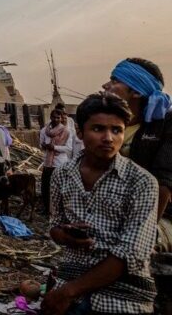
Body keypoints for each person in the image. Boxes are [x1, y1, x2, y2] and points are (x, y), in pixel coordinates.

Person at [42, 93, 158, 315]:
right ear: (80, 132)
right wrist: (65, 235)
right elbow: (54, 226)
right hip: (70, 276)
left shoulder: (142, 182)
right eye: (98, 129)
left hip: (123, 293)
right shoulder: (62, 175)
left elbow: (130, 254)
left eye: (117, 130)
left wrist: (68, 292)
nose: (108, 138)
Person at [102, 58, 172, 313]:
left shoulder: (165, 125)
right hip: (116, 212)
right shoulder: (109, 123)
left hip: (160, 218)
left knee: (132, 244)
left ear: (136, 90)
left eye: (114, 80)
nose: (105, 85)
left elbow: (162, 187)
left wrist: (142, 232)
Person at [39, 109, 73, 215]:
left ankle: (58, 210)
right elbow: (40, 145)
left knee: (58, 188)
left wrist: (55, 147)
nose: (56, 119)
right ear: (50, 117)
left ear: (61, 118)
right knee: (45, 187)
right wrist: (45, 146)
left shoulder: (67, 131)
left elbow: (68, 149)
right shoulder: (44, 131)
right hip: (47, 163)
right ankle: (46, 209)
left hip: (59, 163)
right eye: (54, 117)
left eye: (58, 117)